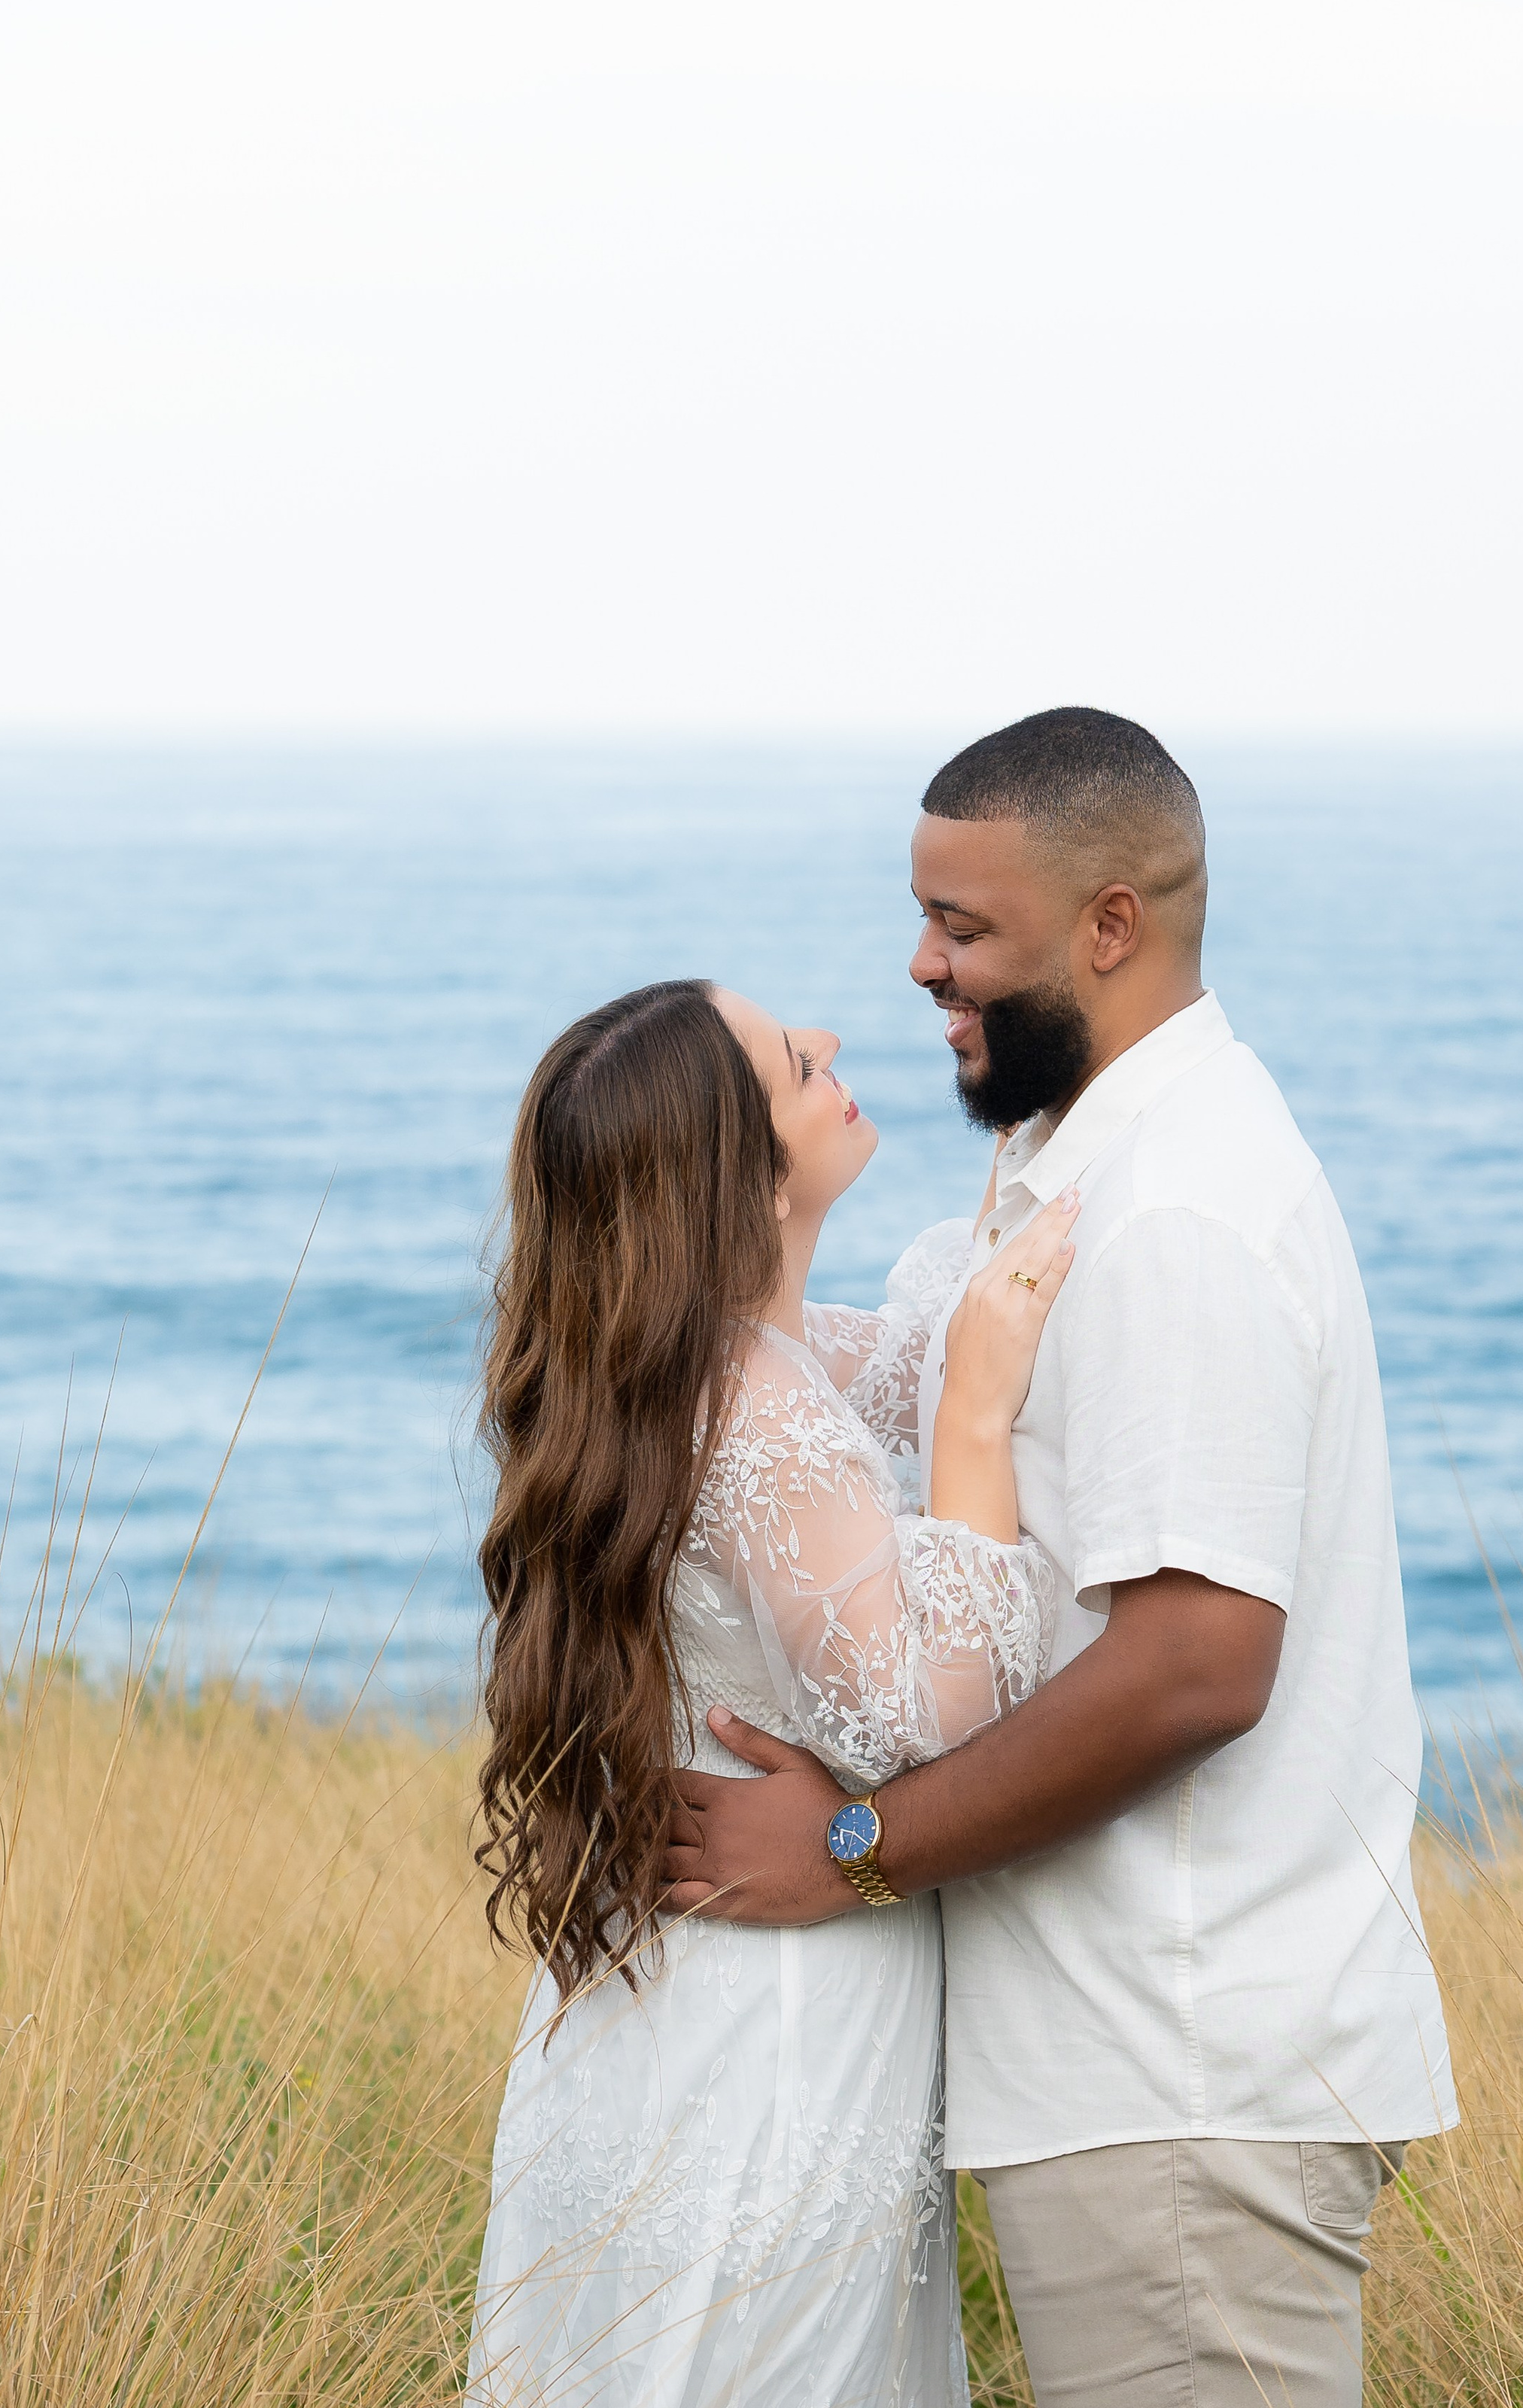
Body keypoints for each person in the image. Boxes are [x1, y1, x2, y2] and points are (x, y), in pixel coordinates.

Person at [665, 709, 1459, 2408]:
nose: (919, 965)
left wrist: (855, 1851)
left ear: (1110, 925)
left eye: (963, 927)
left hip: (1179, 2074)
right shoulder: (1070, 1167)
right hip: (1126, 2071)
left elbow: (1196, 1667)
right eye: (922, 915)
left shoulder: (1173, 1215)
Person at [465, 977, 1079, 2407]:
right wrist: (976, 1426)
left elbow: (912, 1351)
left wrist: (1028, 1161)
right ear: (736, 1178)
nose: (836, 1046)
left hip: (660, 2012)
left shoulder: (681, 1370)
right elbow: (923, 1715)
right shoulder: (759, 1407)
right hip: (774, 2027)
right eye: (799, 1064)